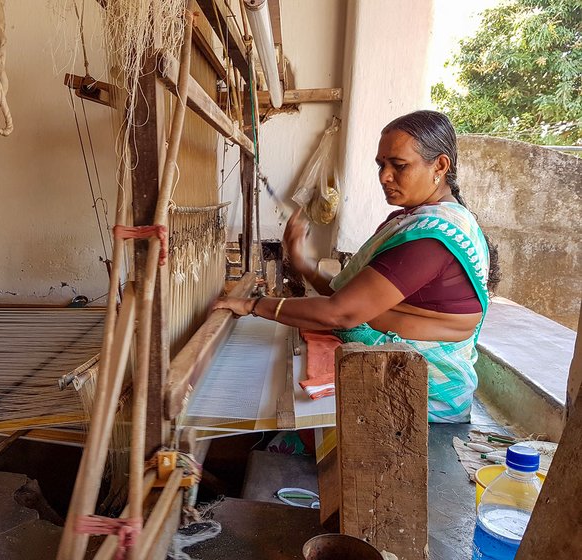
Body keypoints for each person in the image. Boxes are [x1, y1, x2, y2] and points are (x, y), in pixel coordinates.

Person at [213, 110, 499, 423]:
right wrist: (302, 262)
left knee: (285, 431)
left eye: (398, 165)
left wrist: (253, 305)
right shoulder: (417, 222)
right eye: (381, 165)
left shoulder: (432, 238)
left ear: (440, 166)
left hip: (421, 402)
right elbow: (350, 295)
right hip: (397, 379)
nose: (384, 176)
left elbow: (343, 310)